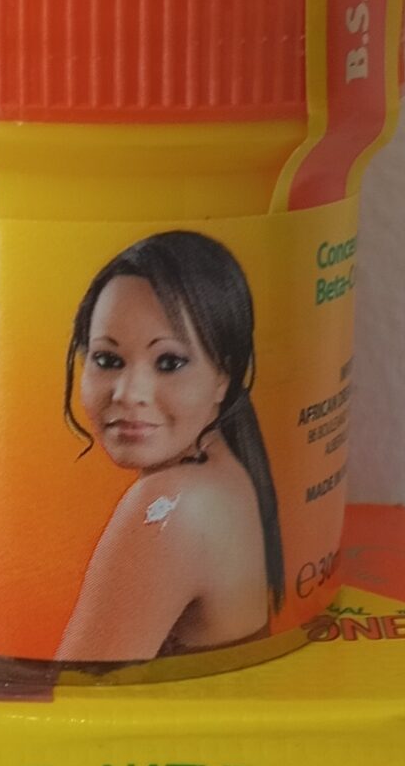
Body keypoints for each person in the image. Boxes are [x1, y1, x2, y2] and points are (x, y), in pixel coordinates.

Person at [57, 231, 285, 660]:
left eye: (169, 362)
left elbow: (75, 693)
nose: (129, 393)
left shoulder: (171, 504)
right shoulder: (226, 478)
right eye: (108, 360)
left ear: (225, 376)